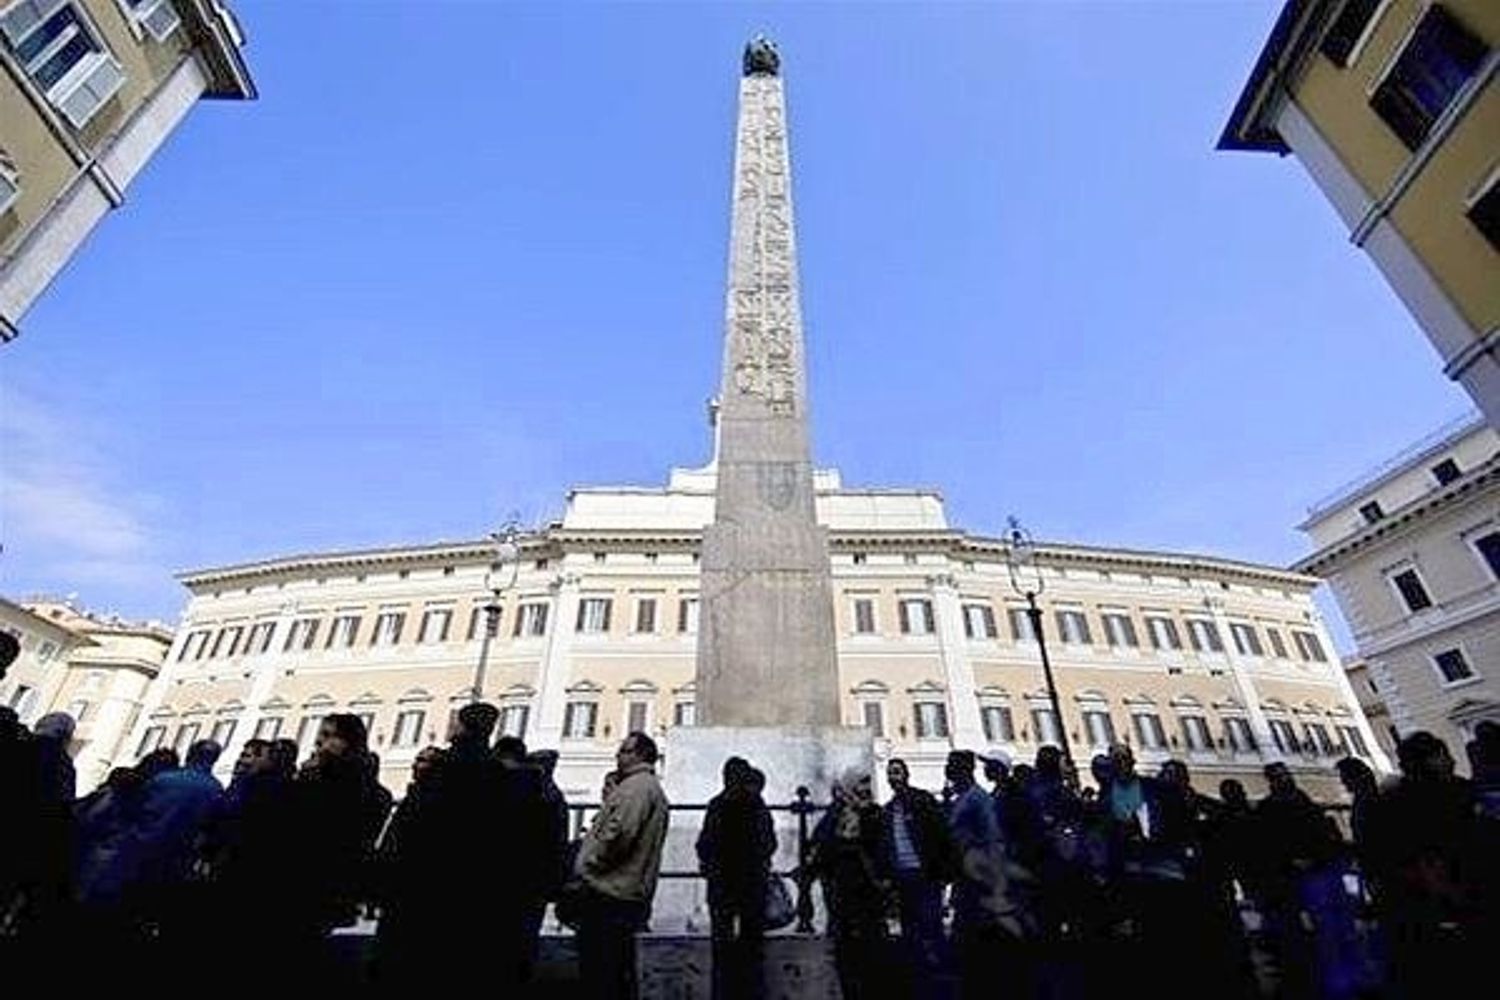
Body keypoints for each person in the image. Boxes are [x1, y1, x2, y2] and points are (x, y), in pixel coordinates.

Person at [1365, 731, 1493, 996]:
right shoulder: (1455, 793)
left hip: (1423, 909)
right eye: (1443, 755)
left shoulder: (1387, 803)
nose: (1451, 761)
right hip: (1460, 897)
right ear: (1430, 759)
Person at [575, 731, 669, 1000]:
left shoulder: (636, 789)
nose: (618, 756)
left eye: (625, 751)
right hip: (624, 889)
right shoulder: (642, 787)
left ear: (640, 755)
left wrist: (590, 864)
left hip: (612, 890)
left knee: (603, 967)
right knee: (617, 966)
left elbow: (620, 834)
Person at [947, 748, 1030, 999]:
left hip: (979, 879)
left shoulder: (978, 799)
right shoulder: (968, 797)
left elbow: (993, 839)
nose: (948, 769)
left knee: (981, 939)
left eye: (952, 764)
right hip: (969, 877)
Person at [697, 756, 776, 1000]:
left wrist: (711, 866)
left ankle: (723, 993)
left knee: (722, 947)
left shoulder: (717, 805)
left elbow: (704, 844)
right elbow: (769, 843)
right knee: (752, 947)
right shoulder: (757, 806)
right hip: (752, 883)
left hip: (721, 884)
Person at [809, 766, 889, 1000]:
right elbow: (821, 846)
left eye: (867, 784)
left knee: (872, 951)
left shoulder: (874, 814)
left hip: (869, 893)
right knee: (846, 953)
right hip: (842, 894)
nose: (865, 789)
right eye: (860, 784)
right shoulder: (835, 815)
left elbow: (880, 847)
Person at [880, 757, 952, 997]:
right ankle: (919, 981)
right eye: (890, 773)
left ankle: (941, 982)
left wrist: (943, 872)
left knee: (931, 928)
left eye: (897, 772)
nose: (893, 777)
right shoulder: (888, 810)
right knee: (910, 930)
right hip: (903, 877)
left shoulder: (922, 800)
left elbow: (940, 834)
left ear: (906, 774)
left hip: (925, 875)